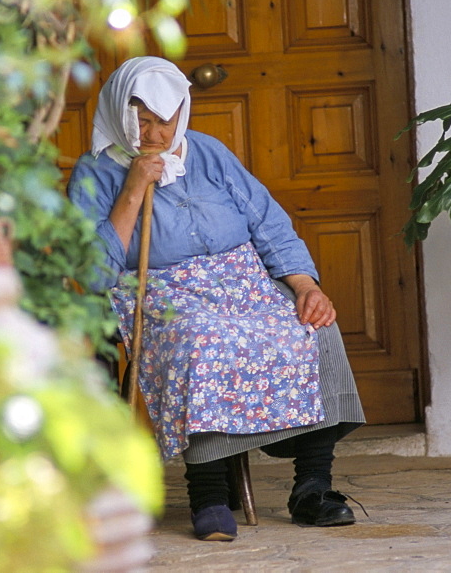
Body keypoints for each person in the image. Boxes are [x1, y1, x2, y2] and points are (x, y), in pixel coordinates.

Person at [68, 56, 366, 541]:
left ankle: (313, 487)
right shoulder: (93, 172)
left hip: (242, 282)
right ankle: (207, 491)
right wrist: (133, 188)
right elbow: (93, 272)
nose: (154, 134)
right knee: (201, 339)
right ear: (119, 114)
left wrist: (306, 286)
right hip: (161, 290)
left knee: (313, 325)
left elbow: (267, 222)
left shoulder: (208, 152)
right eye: (140, 120)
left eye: (164, 121)